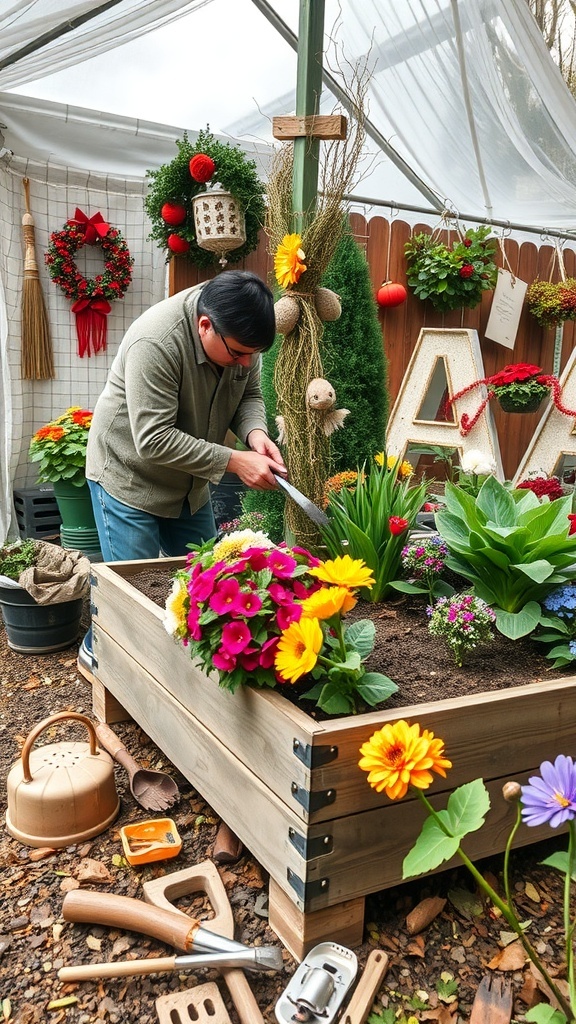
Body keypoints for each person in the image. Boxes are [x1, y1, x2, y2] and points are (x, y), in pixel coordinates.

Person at [79, 269, 286, 676]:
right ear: (204, 326)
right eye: (239, 353)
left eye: (252, 355)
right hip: (128, 477)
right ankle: (99, 649)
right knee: (135, 594)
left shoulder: (239, 333)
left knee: (208, 583)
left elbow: (250, 394)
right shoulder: (155, 341)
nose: (246, 362)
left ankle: (182, 674)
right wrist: (233, 460)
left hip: (189, 482)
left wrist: (255, 434)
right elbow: (152, 439)